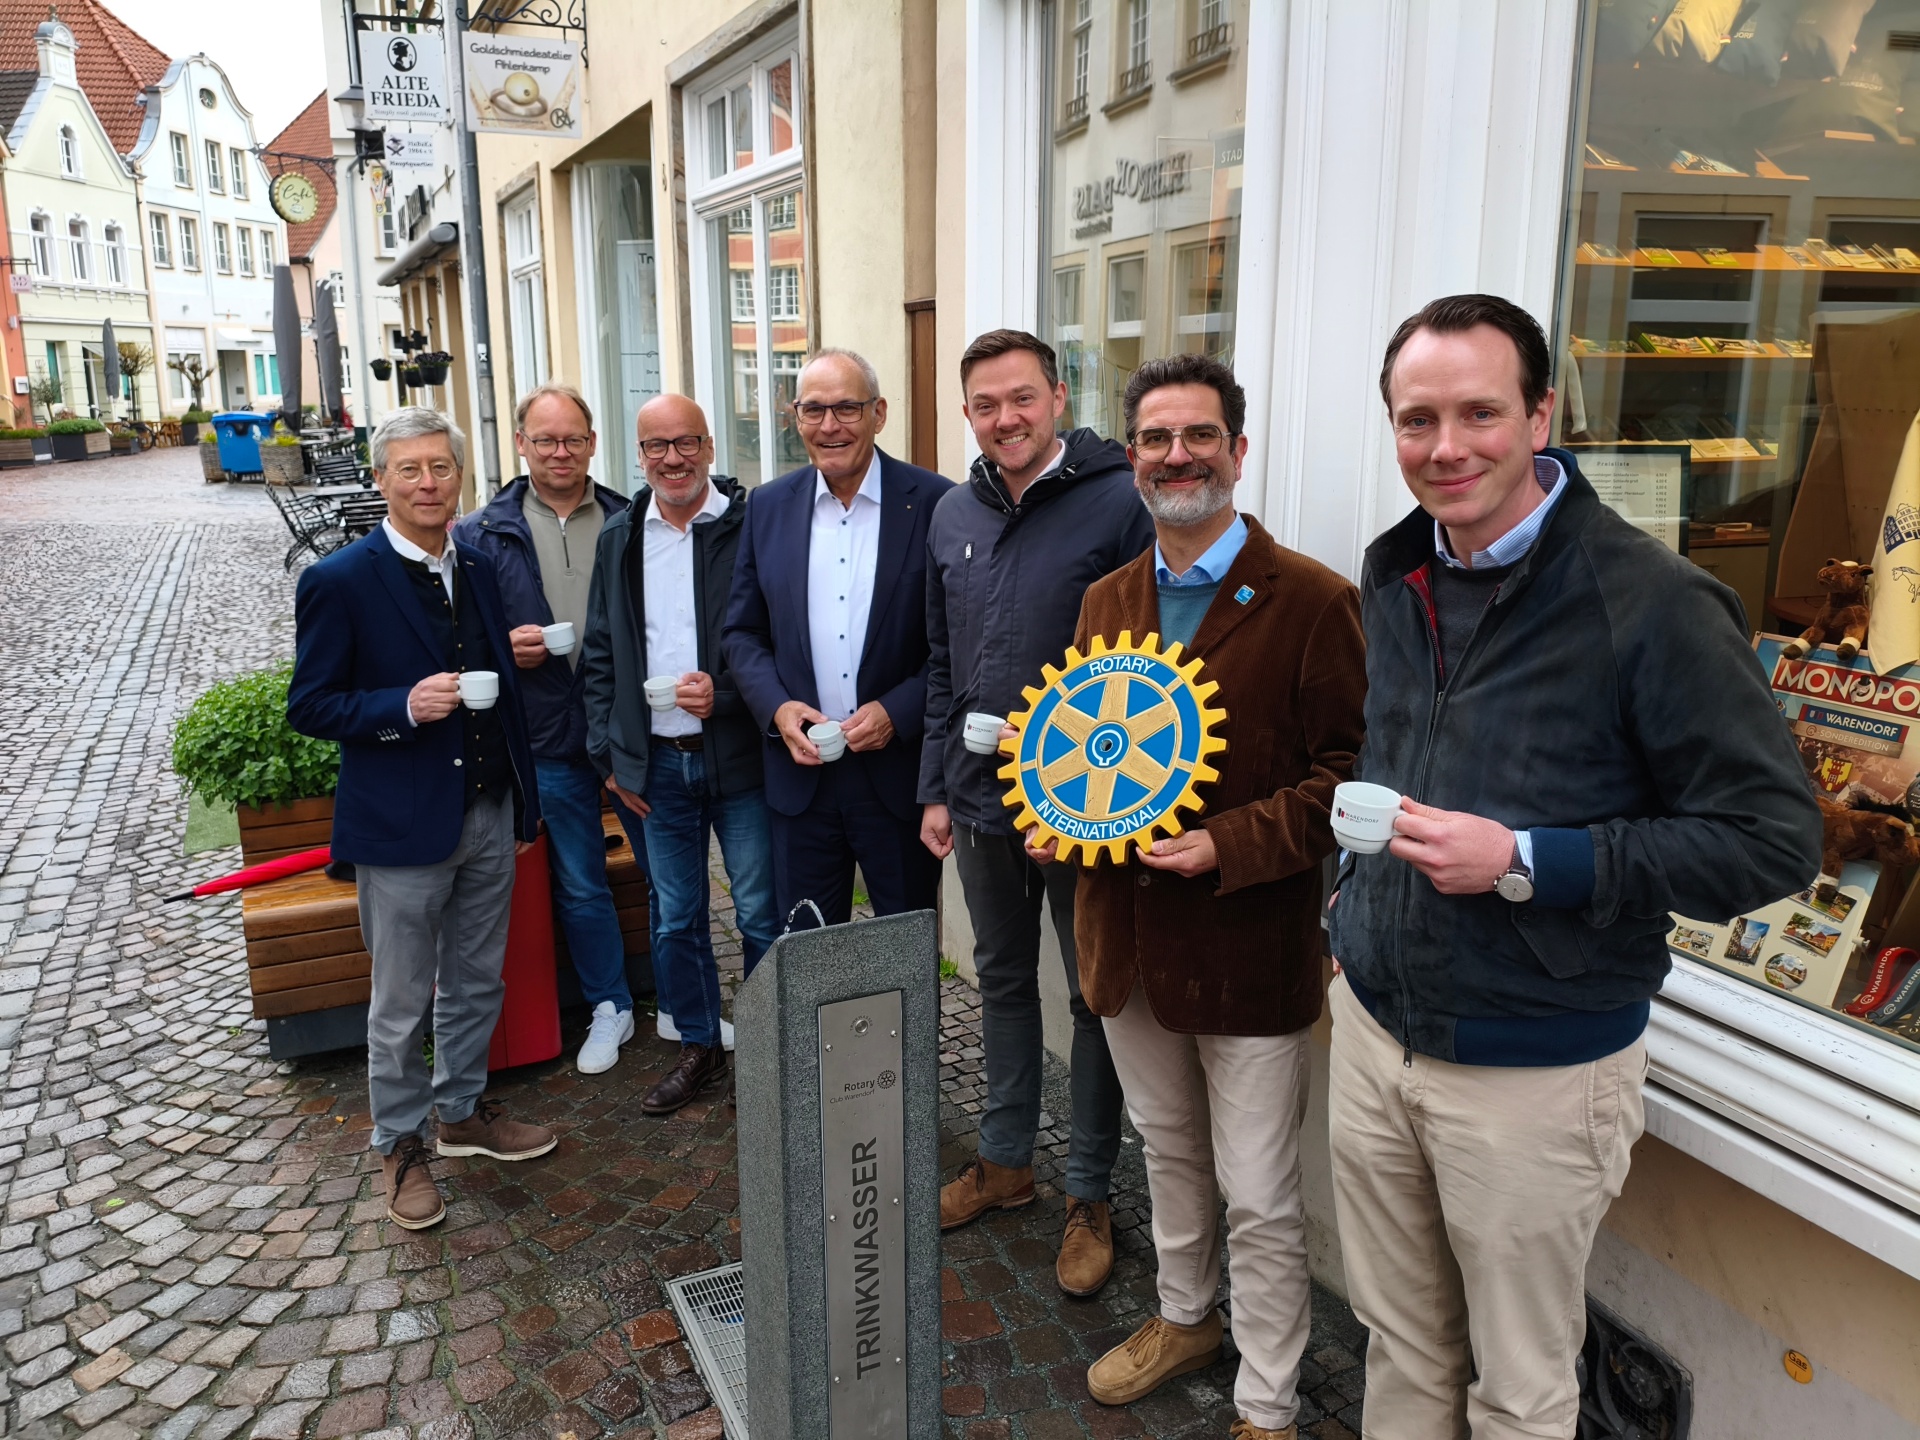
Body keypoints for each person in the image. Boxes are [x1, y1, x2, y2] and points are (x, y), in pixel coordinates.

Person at [1328, 293, 1821, 1438]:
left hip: (1535, 1070)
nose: (1446, 447)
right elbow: (1390, 752)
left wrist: (1527, 860)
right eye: (1416, 420)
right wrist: (1347, 913)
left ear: (1541, 415)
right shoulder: (1397, 568)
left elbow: (1773, 839)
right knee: (1399, 1343)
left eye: (1480, 413)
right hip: (1374, 1033)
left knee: (1519, 1388)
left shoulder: (1654, 603)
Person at [1032, 355, 1363, 1440]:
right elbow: (1089, 753)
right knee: (1168, 1152)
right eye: (1156, 439)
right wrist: (1061, 816)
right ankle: (1185, 1319)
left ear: (1237, 450)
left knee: (1260, 1192)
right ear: (1131, 457)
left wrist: (1226, 841)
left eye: (1200, 436)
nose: (1178, 457)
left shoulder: (1313, 599)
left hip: (1247, 946)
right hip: (1125, 943)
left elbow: (1350, 781)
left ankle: (1267, 1403)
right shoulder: (1107, 599)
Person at [921, 329, 1154, 1295]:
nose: (1005, 418)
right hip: (978, 801)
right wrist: (935, 785)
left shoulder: (1120, 501)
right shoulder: (953, 513)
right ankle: (1006, 1161)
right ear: (966, 414)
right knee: (1002, 979)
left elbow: (1148, 663)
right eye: (986, 404)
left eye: (1022, 398)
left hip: (1084, 806)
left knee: (1094, 995)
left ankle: (1089, 1193)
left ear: (1059, 396)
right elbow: (942, 662)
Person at [288, 407, 557, 1231]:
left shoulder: (475, 564)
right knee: (401, 1002)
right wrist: (401, 707)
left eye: (441, 467)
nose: (428, 483)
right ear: (381, 481)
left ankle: (461, 1114)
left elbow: (503, 693)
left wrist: (524, 800)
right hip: (401, 828)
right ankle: (399, 1145)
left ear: (460, 476)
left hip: (488, 811)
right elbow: (311, 705)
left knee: (478, 981)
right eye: (409, 469)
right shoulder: (338, 580)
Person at [581, 394, 776, 1115]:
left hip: (741, 758)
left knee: (760, 913)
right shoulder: (621, 535)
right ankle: (699, 1043)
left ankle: (767, 1048)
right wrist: (609, 757)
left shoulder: (751, 525)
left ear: (710, 447)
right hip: (656, 765)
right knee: (675, 918)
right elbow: (600, 652)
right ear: (639, 456)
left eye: (686, 442)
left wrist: (724, 694)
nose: (672, 458)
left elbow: (780, 639)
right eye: (656, 446)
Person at [452, 384, 642, 1077]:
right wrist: (504, 651)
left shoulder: (631, 517)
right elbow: (457, 640)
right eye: (546, 440)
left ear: (592, 443)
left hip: (628, 732)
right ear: (521, 445)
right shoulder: (479, 534)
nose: (560, 452)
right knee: (581, 883)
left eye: (573, 439)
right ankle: (611, 1005)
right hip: (543, 738)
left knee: (668, 875)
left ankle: (686, 1001)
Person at [722, 349, 944, 924]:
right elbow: (742, 632)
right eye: (813, 410)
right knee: (808, 950)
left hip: (897, 776)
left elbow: (957, 644)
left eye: (847, 408)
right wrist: (777, 709)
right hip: (801, 779)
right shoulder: (768, 506)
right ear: (795, 417)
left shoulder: (936, 503)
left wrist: (897, 712)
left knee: (902, 953)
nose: (829, 426)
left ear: (879, 413)